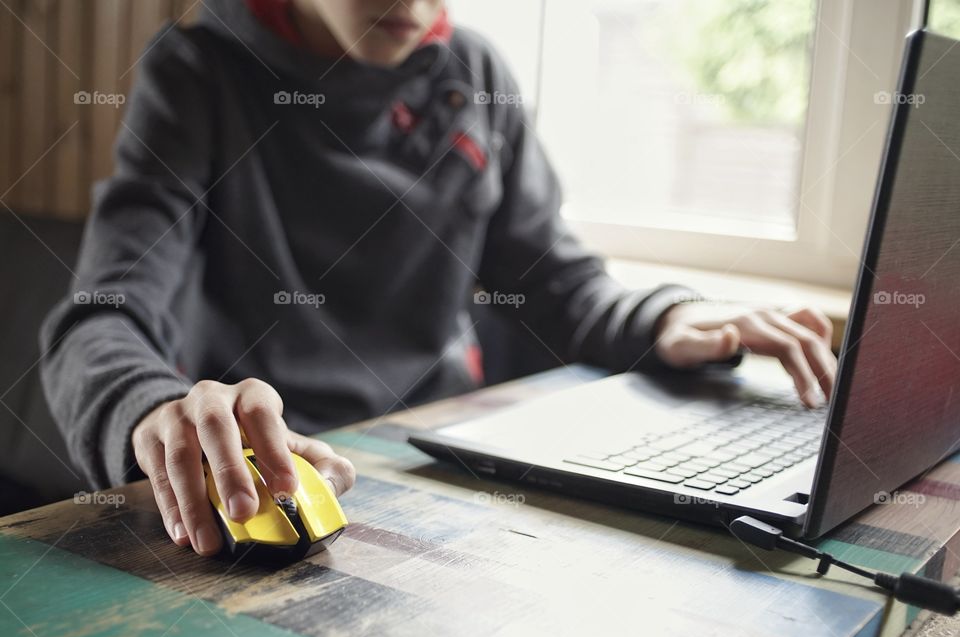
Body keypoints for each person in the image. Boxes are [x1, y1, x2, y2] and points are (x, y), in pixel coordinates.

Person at [40, 0, 837, 557]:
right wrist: (149, 409)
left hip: (453, 466)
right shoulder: (197, 73)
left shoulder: (476, 71)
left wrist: (662, 319)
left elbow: (555, 285)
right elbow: (102, 317)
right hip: (282, 470)